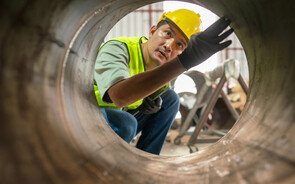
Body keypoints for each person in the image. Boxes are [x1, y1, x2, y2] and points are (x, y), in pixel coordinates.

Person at [94, 9, 233, 155]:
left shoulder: (163, 74)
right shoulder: (118, 48)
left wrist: (143, 104)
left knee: (170, 99)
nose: (169, 46)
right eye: (167, 33)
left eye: (179, 45)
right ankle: (105, 163)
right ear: (152, 31)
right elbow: (119, 97)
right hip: (89, 113)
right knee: (126, 123)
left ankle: (146, 159)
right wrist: (184, 62)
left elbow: (130, 104)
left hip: (119, 114)